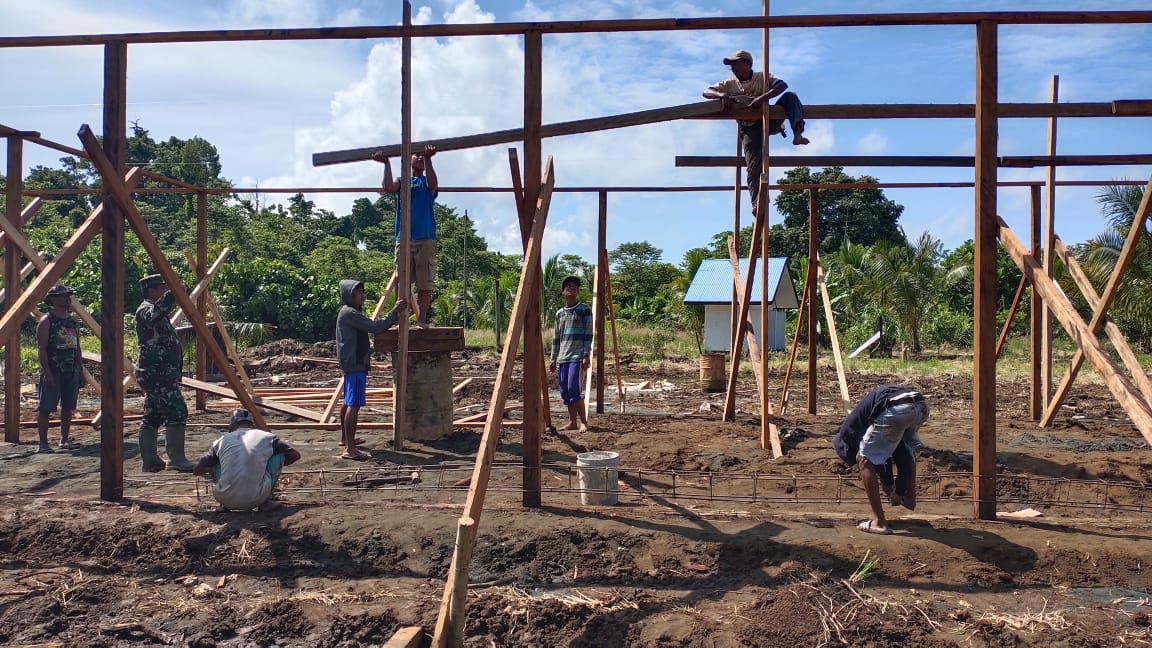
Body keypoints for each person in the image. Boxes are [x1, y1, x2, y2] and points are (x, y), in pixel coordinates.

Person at [703, 49, 809, 214]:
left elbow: (782, 85)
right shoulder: (729, 84)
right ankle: (757, 202)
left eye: (736, 63)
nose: (733, 68)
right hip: (749, 127)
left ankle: (797, 134)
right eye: (731, 65)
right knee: (754, 166)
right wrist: (722, 95)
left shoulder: (763, 77)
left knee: (791, 97)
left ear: (747, 63)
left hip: (768, 120)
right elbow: (706, 91)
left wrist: (762, 98)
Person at [833, 385, 930, 535]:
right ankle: (909, 498)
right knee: (907, 447)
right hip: (920, 404)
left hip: (895, 409)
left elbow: (871, 458)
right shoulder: (860, 421)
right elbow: (897, 452)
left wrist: (888, 483)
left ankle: (879, 523)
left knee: (863, 459)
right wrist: (897, 488)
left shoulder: (848, 432)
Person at [336, 279, 408, 460]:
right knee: (354, 404)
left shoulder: (349, 313)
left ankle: (346, 439)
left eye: (362, 291)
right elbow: (375, 327)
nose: (362, 295)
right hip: (355, 363)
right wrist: (395, 312)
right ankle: (350, 450)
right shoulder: (350, 313)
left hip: (351, 362)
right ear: (350, 295)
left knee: (348, 401)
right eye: (359, 292)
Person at [372, 144, 439, 328]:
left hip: (425, 238)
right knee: (402, 281)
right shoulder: (403, 181)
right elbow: (387, 187)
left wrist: (428, 158)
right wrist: (386, 163)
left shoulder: (427, 182)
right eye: (416, 155)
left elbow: (433, 185)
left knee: (425, 282)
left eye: (421, 156)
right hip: (404, 238)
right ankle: (400, 318)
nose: (419, 157)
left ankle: (421, 319)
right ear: (408, 160)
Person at [134, 274, 195, 472]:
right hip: (155, 372)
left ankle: (151, 461)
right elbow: (154, 314)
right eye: (162, 288)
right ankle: (177, 459)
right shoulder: (144, 310)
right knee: (177, 411)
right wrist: (172, 295)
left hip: (159, 372)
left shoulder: (156, 311)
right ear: (152, 291)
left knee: (152, 415)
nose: (165, 292)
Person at [192, 408, 301, 512]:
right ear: (252, 425)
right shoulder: (267, 437)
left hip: (223, 497)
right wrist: (265, 464)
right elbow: (295, 455)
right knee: (279, 454)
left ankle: (223, 505)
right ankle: (265, 502)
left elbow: (198, 470)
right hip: (257, 498)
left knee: (216, 460)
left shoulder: (221, 441)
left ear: (231, 427)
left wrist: (211, 470)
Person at [35, 285, 83, 453]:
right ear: (53, 299)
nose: (67, 298)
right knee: (46, 407)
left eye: (68, 295)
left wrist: (80, 369)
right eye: (63, 296)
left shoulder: (73, 321)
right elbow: (42, 348)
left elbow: (77, 347)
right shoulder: (47, 321)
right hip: (53, 370)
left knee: (68, 406)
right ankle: (43, 443)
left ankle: (64, 440)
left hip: (71, 370)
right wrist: (47, 373)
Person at [548, 276, 593, 433]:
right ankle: (572, 422)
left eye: (574, 286)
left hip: (577, 356)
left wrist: (586, 355)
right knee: (565, 391)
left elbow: (588, 334)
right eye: (568, 286)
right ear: (562, 291)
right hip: (563, 357)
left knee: (574, 388)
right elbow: (556, 338)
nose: (571, 287)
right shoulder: (560, 314)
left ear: (578, 291)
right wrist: (553, 359)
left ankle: (584, 422)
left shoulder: (584, 310)